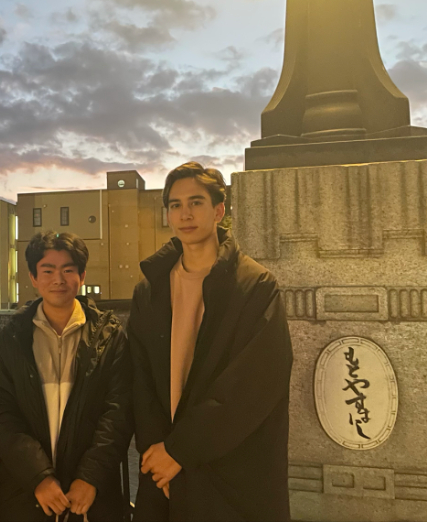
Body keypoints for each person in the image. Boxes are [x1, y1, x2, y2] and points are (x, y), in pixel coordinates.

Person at [130, 162, 293, 521]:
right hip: (164, 467)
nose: (184, 214)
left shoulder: (254, 285)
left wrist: (180, 451)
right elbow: (140, 380)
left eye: (196, 202)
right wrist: (158, 454)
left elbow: (255, 384)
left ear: (219, 210)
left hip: (229, 469)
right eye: (175, 205)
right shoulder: (150, 288)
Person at [0, 231, 133, 522]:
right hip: (24, 490)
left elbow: (119, 413)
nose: (58, 279)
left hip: (91, 494)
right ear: (33, 277)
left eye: (68, 270)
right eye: (47, 270)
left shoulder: (110, 336)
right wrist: (38, 476)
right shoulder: (12, 339)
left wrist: (90, 477)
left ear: (82, 275)